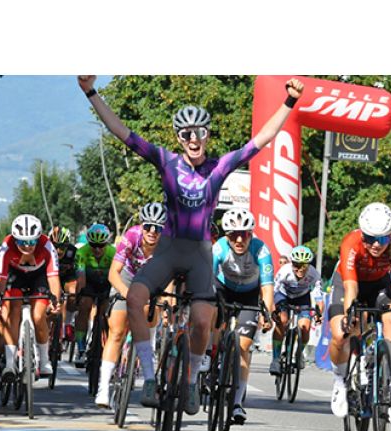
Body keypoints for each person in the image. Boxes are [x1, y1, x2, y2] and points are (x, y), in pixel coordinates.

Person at [77, 75, 305, 411]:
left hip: (199, 252)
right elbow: (120, 131)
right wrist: (90, 92)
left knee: (201, 321)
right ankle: (151, 376)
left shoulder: (221, 166)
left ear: (207, 135)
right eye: (186, 134)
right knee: (136, 297)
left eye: (199, 133)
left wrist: (289, 101)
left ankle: (192, 379)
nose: (193, 139)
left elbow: (264, 138)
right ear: (179, 138)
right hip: (169, 249)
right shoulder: (166, 161)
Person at [327, 202, 391, 418]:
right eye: (370, 238)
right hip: (349, 283)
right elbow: (351, 287)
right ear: (362, 233)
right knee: (341, 334)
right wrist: (349, 315)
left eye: (383, 239)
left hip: (379, 285)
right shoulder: (351, 242)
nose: (376, 244)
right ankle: (340, 381)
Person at [94, 203, 166, 408]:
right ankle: (103, 388)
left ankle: (147, 350)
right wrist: (128, 295)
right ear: (142, 226)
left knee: (151, 318)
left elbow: (169, 277)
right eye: (149, 226)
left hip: (149, 280)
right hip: (125, 278)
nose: (153, 231)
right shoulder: (131, 237)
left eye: (158, 228)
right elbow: (113, 273)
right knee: (116, 330)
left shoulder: (166, 246)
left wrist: (167, 300)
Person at [212, 207, 275, 423]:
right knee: (211, 309)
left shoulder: (261, 251)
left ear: (251, 234)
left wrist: (267, 315)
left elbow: (267, 288)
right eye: (233, 235)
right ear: (227, 236)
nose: (239, 239)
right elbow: (207, 279)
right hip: (224, 289)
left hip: (249, 295)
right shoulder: (218, 248)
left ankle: (237, 402)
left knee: (244, 346)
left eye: (244, 234)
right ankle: (209, 355)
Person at [0, 214, 61, 383]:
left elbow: (53, 279)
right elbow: (0, 281)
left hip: (39, 277)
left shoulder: (47, 246)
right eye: (22, 242)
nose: (27, 246)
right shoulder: (6, 247)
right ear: (15, 239)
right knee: (12, 312)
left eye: (32, 242)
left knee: (38, 316)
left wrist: (56, 301)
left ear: (39, 239)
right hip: (15, 276)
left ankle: (44, 360)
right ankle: (8, 365)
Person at [269, 245, 323, 376]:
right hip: (283, 295)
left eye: (303, 266)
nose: (299, 269)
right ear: (291, 263)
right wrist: (272, 310)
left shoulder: (314, 274)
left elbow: (318, 296)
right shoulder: (284, 271)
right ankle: (275, 359)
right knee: (282, 321)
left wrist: (319, 313)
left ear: (308, 265)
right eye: (296, 265)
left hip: (301, 297)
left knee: (305, 327)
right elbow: (273, 291)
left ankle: (299, 354)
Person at [73, 223, 116, 367]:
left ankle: (105, 344)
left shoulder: (113, 253)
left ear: (106, 243)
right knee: (84, 306)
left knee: (107, 312)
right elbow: (81, 278)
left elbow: (117, 275)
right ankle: (80, 348)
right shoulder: (82, 252)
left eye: (101, 245)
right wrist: (79, 295)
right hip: (89, 282)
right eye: (93, 245)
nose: (97, 249)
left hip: (106, 283)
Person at [49, 226, 78, 344]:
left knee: (72, 292)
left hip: (67, 278)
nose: (58, 250)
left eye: (62, 247)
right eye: (55, 246)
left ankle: (67, 324)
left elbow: (80, 273)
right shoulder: (46, 250)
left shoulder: (74, 252)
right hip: (51, 278)